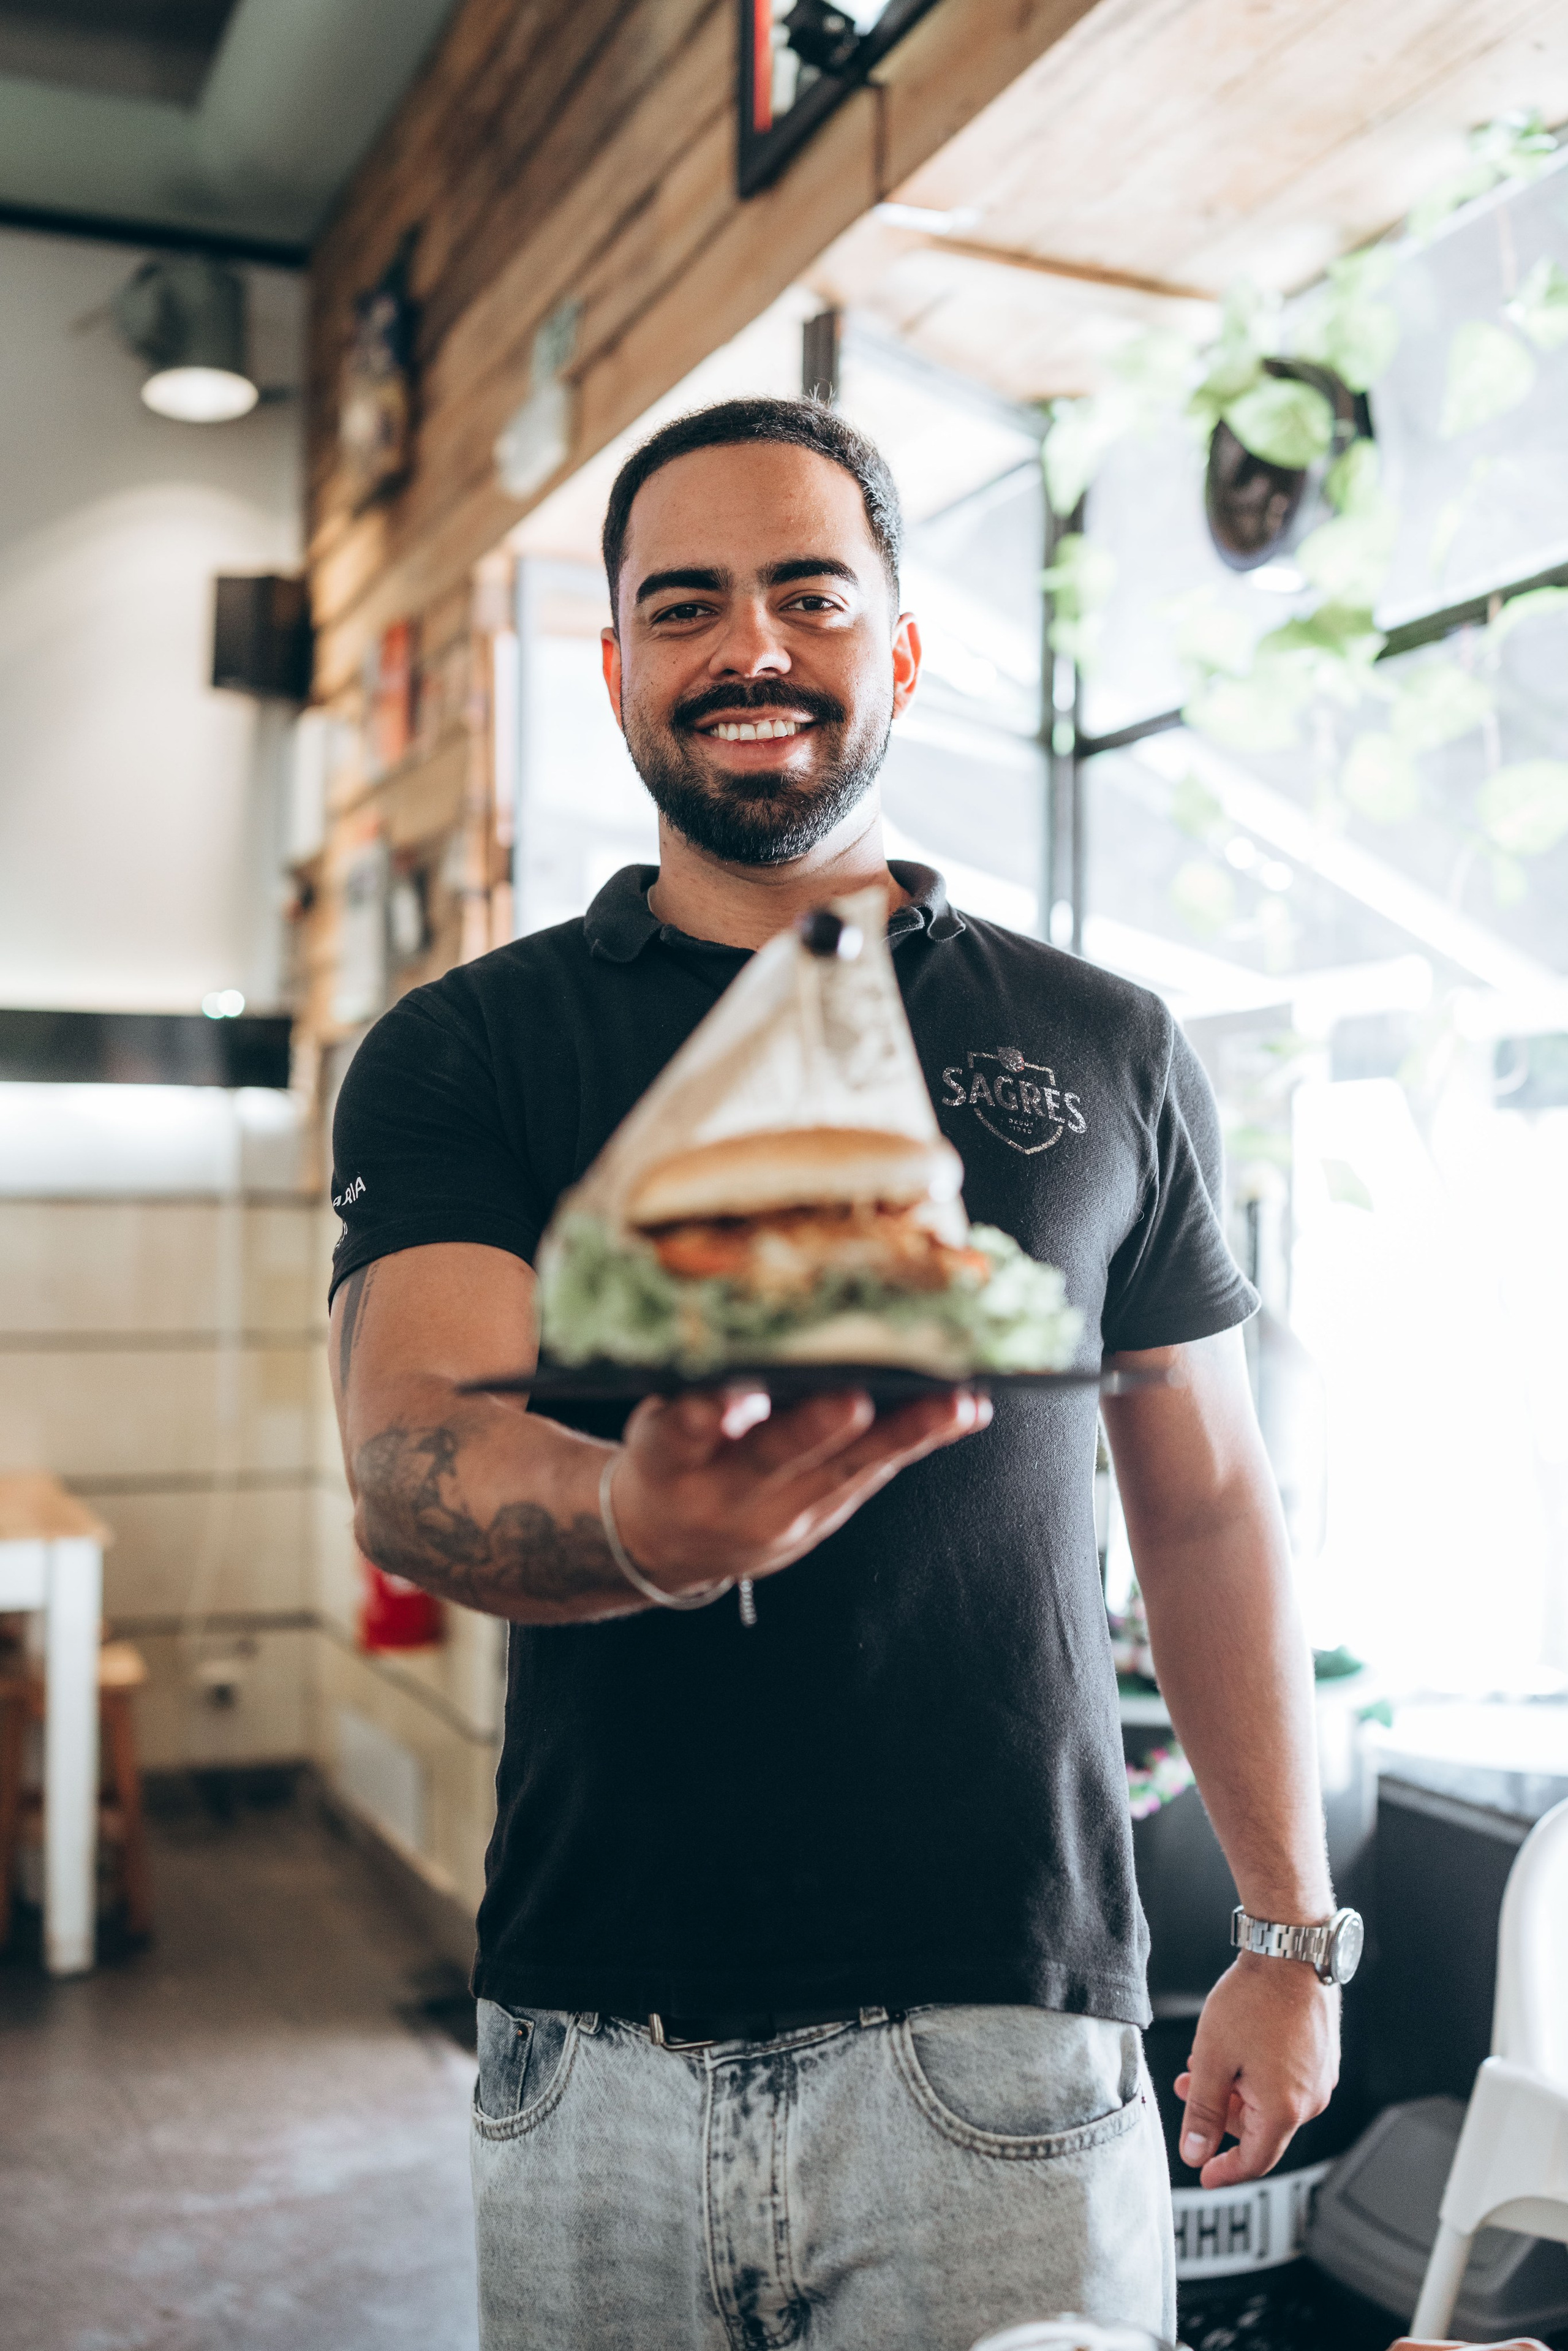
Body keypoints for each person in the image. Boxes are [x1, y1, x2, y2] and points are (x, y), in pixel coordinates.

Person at [328, 397, 1341, 2349]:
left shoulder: (1104, 1045)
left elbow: (1206, 1497)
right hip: (589, 2044)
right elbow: (412, 1450)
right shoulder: (467, 1053)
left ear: (900, 647)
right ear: (618, 663)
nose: (752, 648)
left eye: (809, 592)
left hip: (1009, 2045)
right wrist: (637, 1517)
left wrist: (1289, 1933)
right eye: (685, 606)